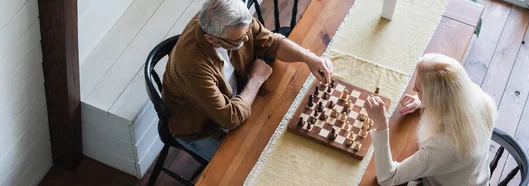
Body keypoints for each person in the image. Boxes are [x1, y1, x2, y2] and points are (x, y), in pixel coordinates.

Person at [161, 0, 333, 161]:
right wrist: (256, 80)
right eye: (238, 40)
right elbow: (230, 118)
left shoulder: (235, 23)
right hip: (204, 127)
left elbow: (270, 42)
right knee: (255, 163)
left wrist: (309, 57)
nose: (245, 40)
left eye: (247, 31)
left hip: (238, 97)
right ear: (211, 39)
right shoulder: (192, 67)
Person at [364, 53, 497, 186]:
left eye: (419, 89)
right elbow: (450, 93)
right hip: (474, 176)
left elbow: (387, 178)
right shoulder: (478, 97)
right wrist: (421, 101)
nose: (413, 89)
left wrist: (382, 125)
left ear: (435, 98)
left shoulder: (443, 146)